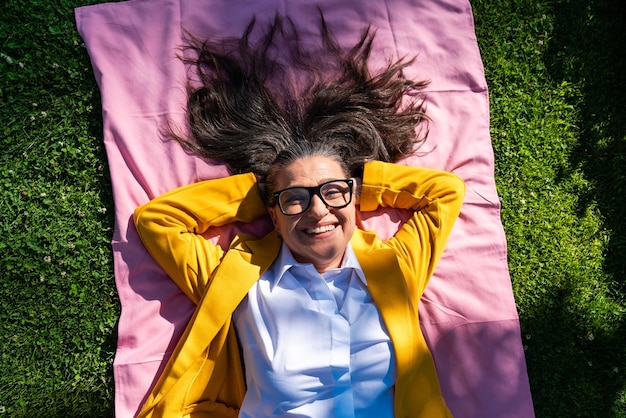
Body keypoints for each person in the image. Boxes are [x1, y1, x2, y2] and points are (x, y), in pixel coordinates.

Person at [133, 13, 465, 418]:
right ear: (274, 216)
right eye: (296, 199)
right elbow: (157, 220)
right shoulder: (237, 278)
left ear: (352, 198)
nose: (317, 210)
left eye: (332, 192)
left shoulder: (396, 266)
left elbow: (444, 194)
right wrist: (260, 194)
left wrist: (361, 183)